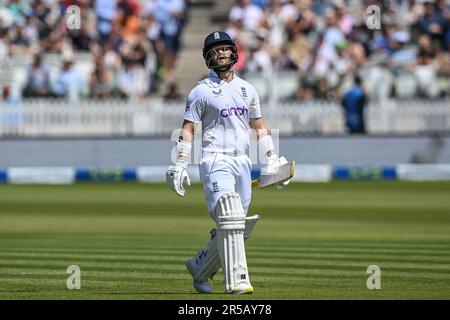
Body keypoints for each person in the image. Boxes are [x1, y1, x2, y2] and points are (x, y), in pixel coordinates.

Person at [165, 31, 291, 294]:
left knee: (239, 227)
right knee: (230, 216)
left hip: (242, 162)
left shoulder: (247, 89)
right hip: (214, 160)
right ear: (208, 57)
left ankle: (199, 267)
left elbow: (258, 126)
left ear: (233, 52)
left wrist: (272, 158)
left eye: (225, 48)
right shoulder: (200, 91)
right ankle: (237, 280)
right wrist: (180, 163)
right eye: (216, 50)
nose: (221, 53)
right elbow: (188, 129)